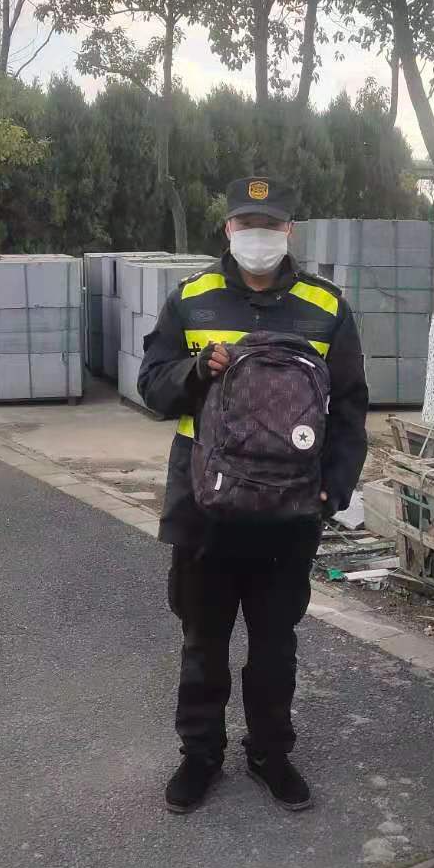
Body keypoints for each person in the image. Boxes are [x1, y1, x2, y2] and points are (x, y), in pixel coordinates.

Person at [138, 177, 369, 814]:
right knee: (202, 638)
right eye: (246, 224)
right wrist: (195, 371)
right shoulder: (192, 299)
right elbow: (152, 387)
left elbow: (351, 407)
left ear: (288, 230)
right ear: (228, 229)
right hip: (203, 507)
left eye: (269, 224)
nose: (257, 236)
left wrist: (333, 488)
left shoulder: (326, 306)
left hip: (289, 511)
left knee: (274, 642)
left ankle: (270, 753)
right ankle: (200, 755)